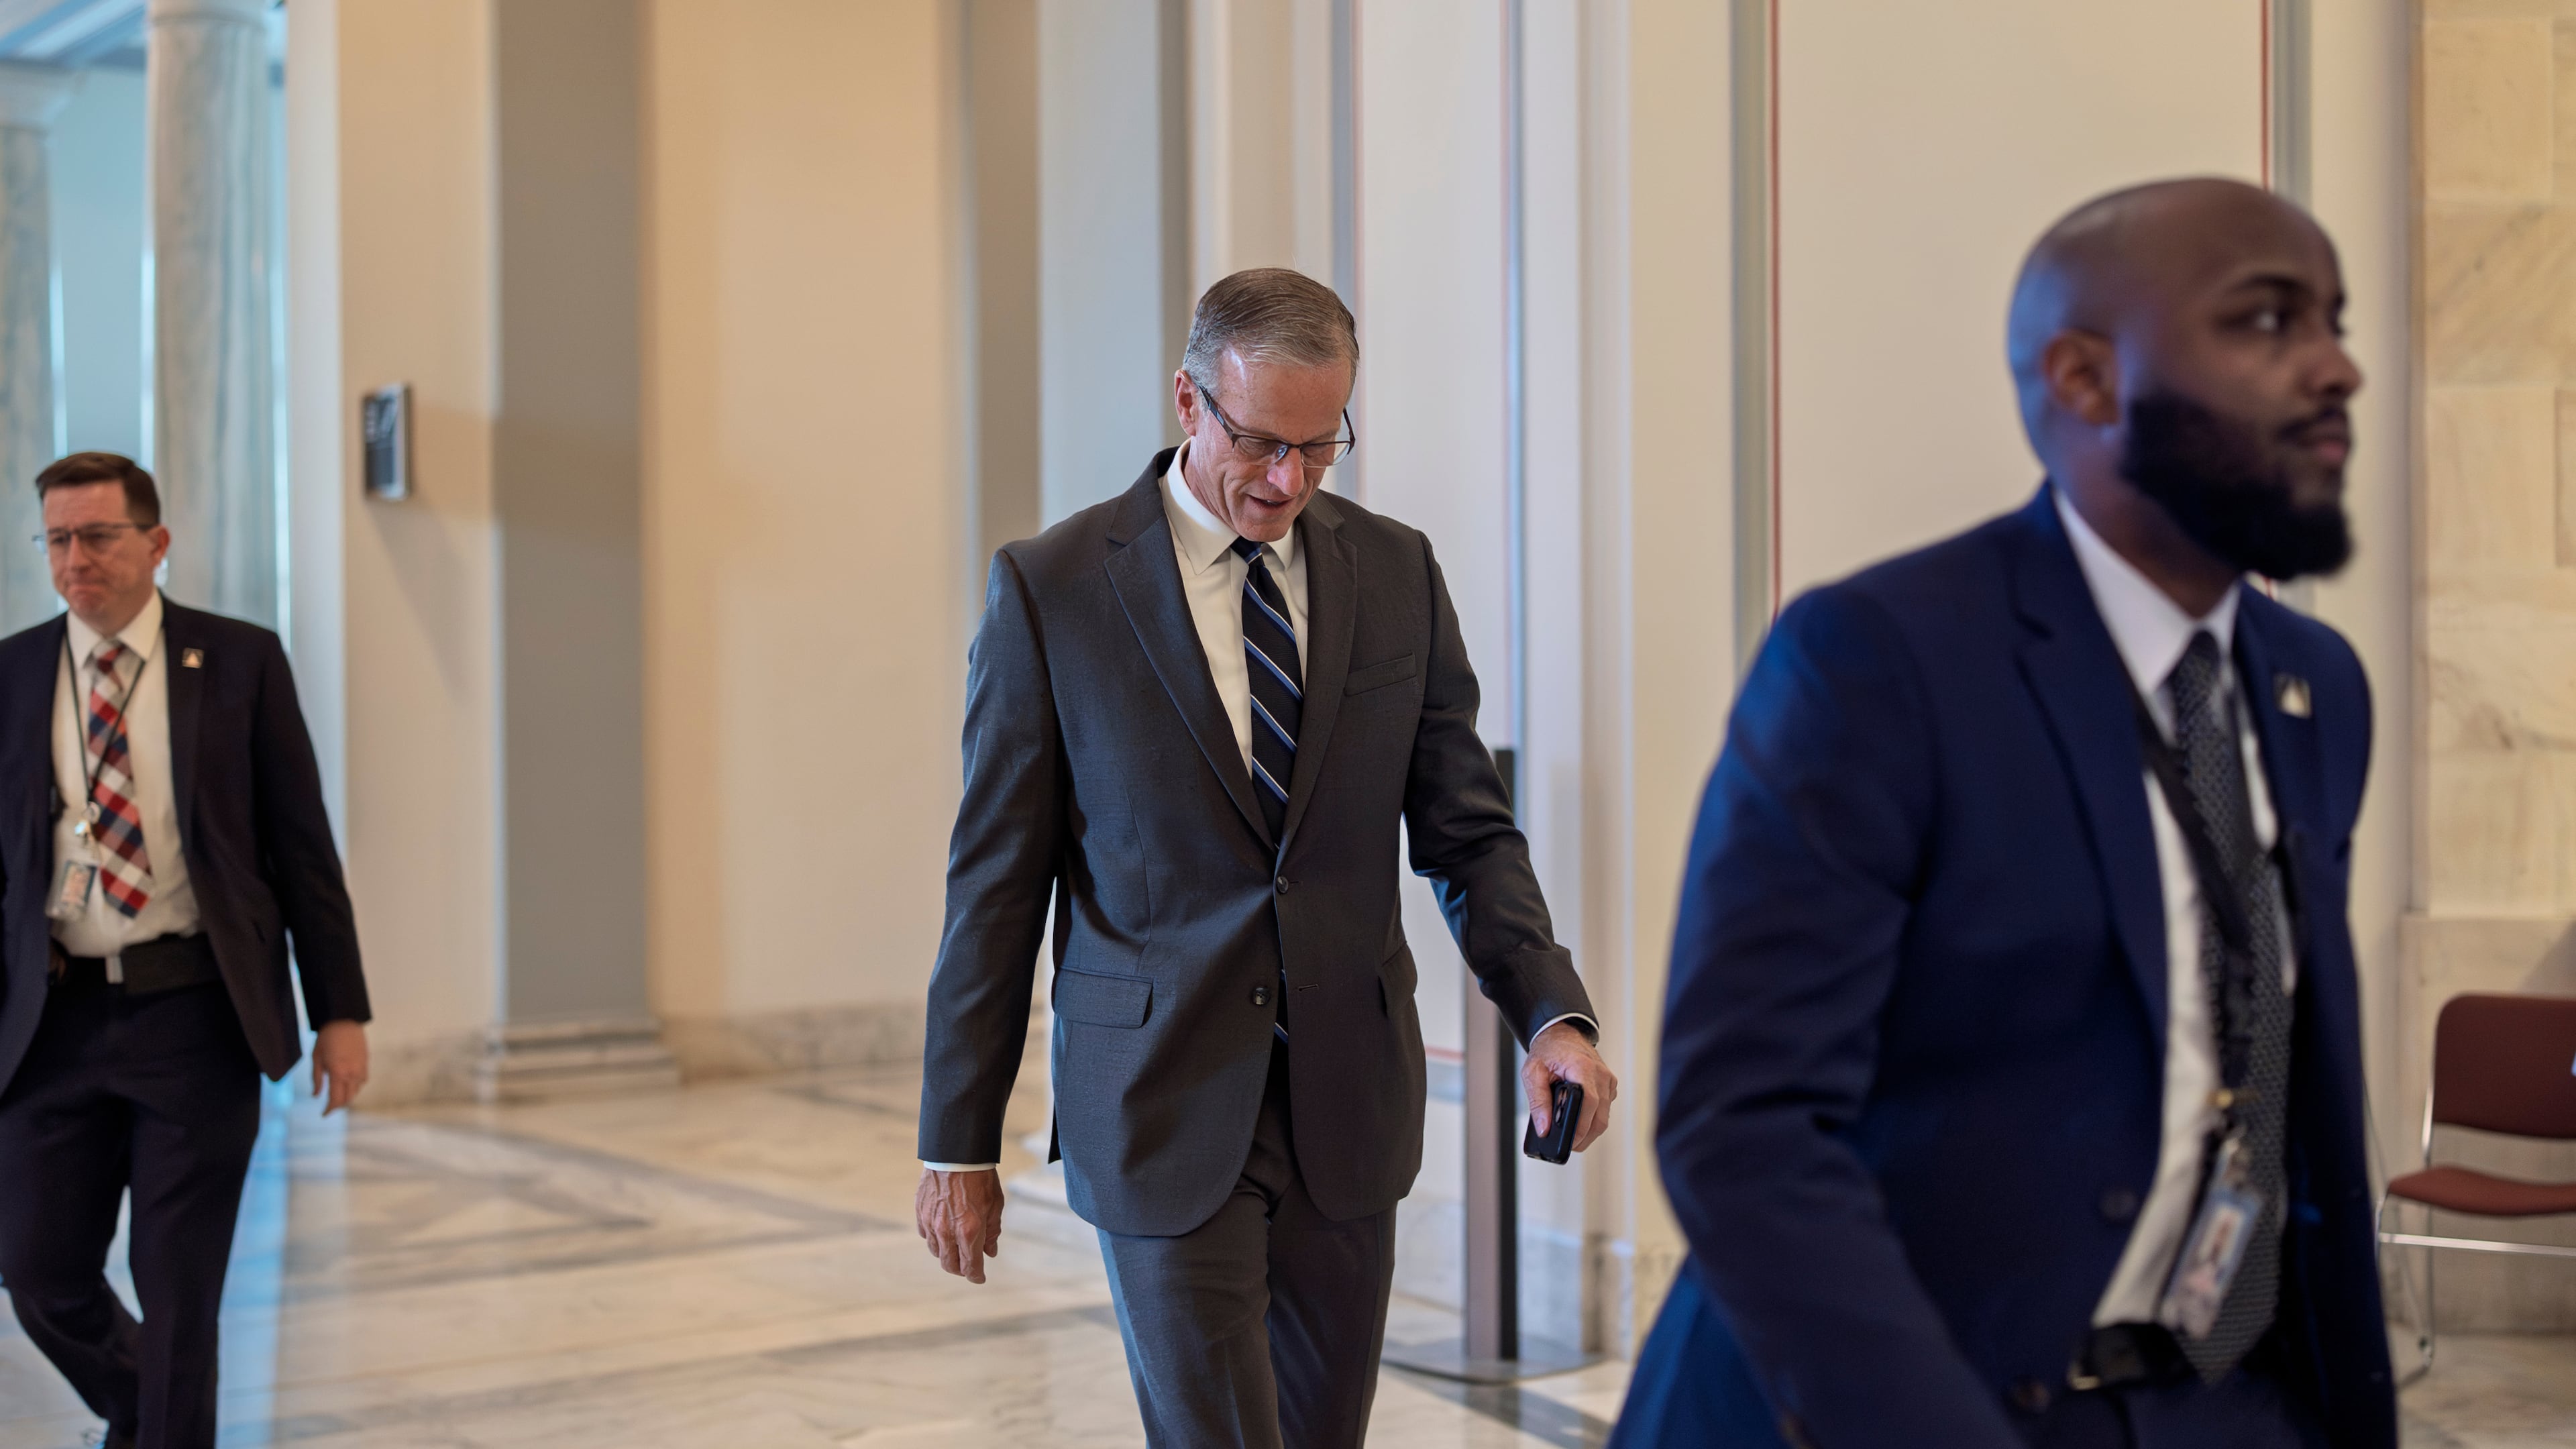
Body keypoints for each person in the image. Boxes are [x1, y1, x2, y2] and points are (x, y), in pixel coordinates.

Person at [1611, 179, 2395, 1448]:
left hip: (2211, 1400)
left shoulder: (2317, 690)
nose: (2339, 369)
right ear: (2085, 380)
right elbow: (1743, 1129)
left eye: (2335, 320)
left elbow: (2265, 1073)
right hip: (1909, 1409)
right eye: (2267, 321)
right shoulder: (1882, 661)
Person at [914, 267, 1619, 1447]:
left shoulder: (1395, 574)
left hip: (1348, 1109)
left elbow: (1467, 829)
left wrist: (1553, 1015)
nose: (1288, 480)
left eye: (1319, 446)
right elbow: (995, 886)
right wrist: (958, 1139)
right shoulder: (1055, 591)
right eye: (1259, 442)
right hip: (1161, 1104)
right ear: (1189, 403)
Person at [0, 452, 371, 1449]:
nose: (76, 560)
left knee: (180, 1299)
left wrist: (340, 1010)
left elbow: (302, 849)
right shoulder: (12, 672)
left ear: (156, 544)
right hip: (52, 1023)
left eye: (99, 536)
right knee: (38, 1274)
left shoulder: (240, 661)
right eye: (58, 540)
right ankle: (143, 1417)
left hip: (194, 1018)